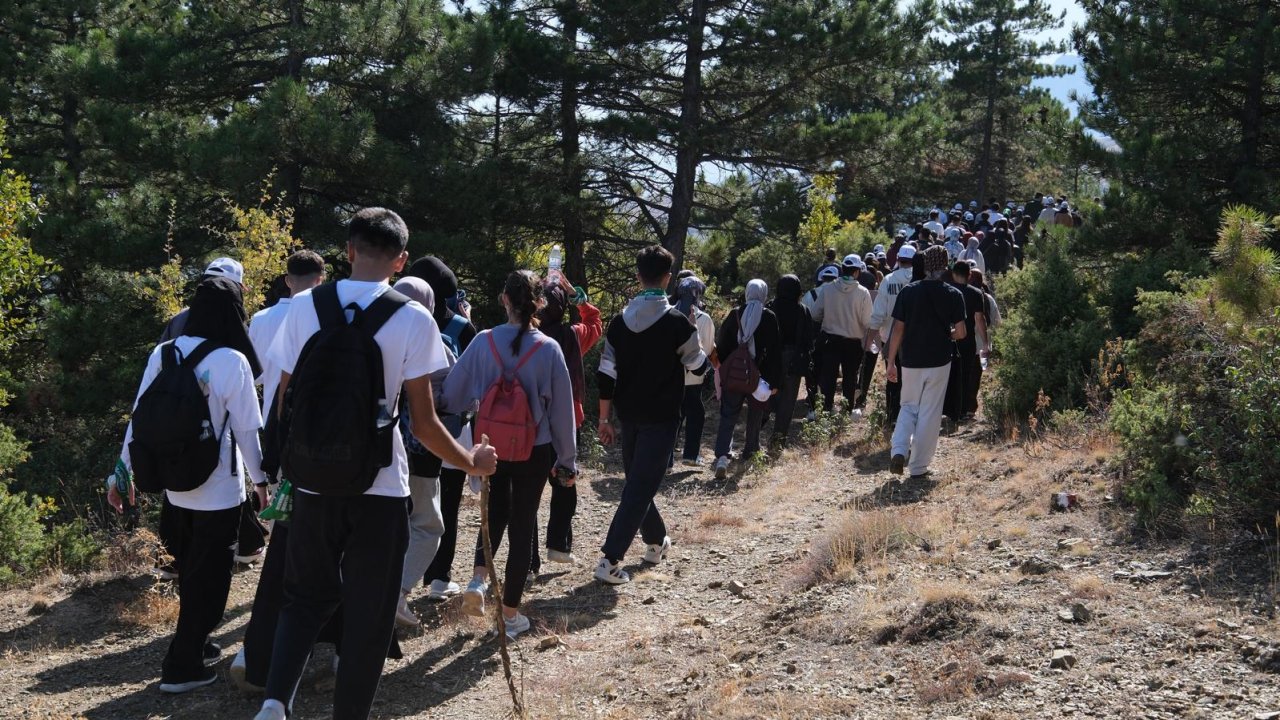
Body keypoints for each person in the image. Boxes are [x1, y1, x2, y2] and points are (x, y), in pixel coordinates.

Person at [255, 208, 497, 720]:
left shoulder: (303, 308)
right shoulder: (412, 318)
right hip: (380, 489)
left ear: (348, 250)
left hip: (313, 485)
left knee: (302, 599)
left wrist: (289, 468)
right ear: (401, 260)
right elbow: (427, 425)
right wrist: (471, 462)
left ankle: (276, 702)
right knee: (367, 616)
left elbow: (283, 400)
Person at [109, 277, 267, 694]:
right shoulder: (233, 360)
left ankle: (197, 642)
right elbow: (249, 432)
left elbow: (138, 419)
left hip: (173, 484)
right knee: (211, 577)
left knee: (190, 570)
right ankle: (181, 666)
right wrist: (263, 482)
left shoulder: (163, 352)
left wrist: (121, 474)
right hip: (217, 488)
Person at [442, 270, 577, 639]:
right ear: (539, 303)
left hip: (489, 446)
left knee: (492, 514)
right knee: (522, 526)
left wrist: (475, 403)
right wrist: (567, 460)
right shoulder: (549, 349)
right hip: (534, 449)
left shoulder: (483, 342)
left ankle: (477, 580)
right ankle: (510, 615)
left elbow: (452, 395)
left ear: (504, 299)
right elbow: (562, 412)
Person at [233, 250, 327, 690]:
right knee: (303, 542)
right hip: (313, 437)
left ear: (287, 279)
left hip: (275, 431)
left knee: (282, 533)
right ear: (322, 277)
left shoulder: (261, 318)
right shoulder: (330, 317)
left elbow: (254, 376)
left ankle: (257, 647)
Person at [595, 245, 709, 585]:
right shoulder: (677, 323)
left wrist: (604, 419)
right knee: (639, 488)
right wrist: (696, 336)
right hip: (662, 417)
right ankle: (609, 559)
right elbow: (699, 367)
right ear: (668, 278)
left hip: (627, 415)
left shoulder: (618, 322)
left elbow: (605, 374)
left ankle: (657, 542)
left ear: (637, 276)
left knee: (638, 485)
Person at [406, 255, 479, 602]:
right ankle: (439, 576)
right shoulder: (460, 328)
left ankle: (403, 572)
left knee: (408, 507)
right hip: (451, 429)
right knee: (446, 501)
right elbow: (474, 381)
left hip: (400, 434)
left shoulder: (396, 322)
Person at [532, 273, 603, 569]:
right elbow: (596, 323)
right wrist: (578, 296)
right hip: (567, 419)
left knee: (529, 492)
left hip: (532, 424)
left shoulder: (524, 335)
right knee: (564, 480)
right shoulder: (573, 336)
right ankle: (559, 546)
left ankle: (529, 558)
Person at [885, 246, 967, 479]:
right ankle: (919, 466)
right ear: (945, 265)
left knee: (908, 406)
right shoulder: (953, 294)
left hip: (910, 359)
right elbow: (961, 332)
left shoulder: (908, 292)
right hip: (939, 359)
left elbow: (897, 329)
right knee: (930, 412)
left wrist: (891, 362)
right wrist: (946, 335)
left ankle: (899, 450)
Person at [711, 279, 782, 479]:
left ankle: (723, 457)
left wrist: (728, 368)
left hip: (734, 376)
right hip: (758, 378)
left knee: (728, 415)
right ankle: (751, 451)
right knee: (755, 414)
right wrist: (774, 383)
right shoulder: (769, 317)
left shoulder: (734, 314)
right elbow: (775, 352)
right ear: (764, 294)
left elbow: (722, 344)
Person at [811, 254, 873, 417]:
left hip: (830, 340)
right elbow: (868, 321)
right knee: (850, 377)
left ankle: (827, 408)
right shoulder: (863, 292)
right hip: (853, 343)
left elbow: (815, 314)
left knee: (828, 376)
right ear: (857, 272)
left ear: (842, 269)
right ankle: (846, 410)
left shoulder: (827, 288)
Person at [869, 245, 915, 430]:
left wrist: (871, 335)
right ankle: (910, 417)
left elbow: (879, 312)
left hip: (890, 337)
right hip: (915, 339)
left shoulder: (888, 280)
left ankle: (893, 416)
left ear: (898, 259)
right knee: (912, 379)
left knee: (893, 378)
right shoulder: (918, 279)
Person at [765, 275, 812, 448]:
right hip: (793, 359)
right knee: (788, 400)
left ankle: (756, 429)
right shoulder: (802, 310)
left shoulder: (771, 306)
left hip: (771, 357)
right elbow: (808, 339)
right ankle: (778, 439)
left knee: (767, 393)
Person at [675, 275, 716, 466]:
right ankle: (691, 455)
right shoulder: (704, 319)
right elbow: (707, 349)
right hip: (693, 378)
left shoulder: (668, 313)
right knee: (695, 415)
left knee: (672, 417)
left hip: (670, 377)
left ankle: (666, 460)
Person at [944, 261, 989, 422]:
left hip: (948, 339)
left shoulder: (946, 290)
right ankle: (963, 411)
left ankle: (949, 409)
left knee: (948, 374)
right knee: (965, 375)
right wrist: (985, 342)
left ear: (953, 274)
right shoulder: (976, 293)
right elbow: (979, 319)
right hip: (968, 340)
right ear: (969, 275)